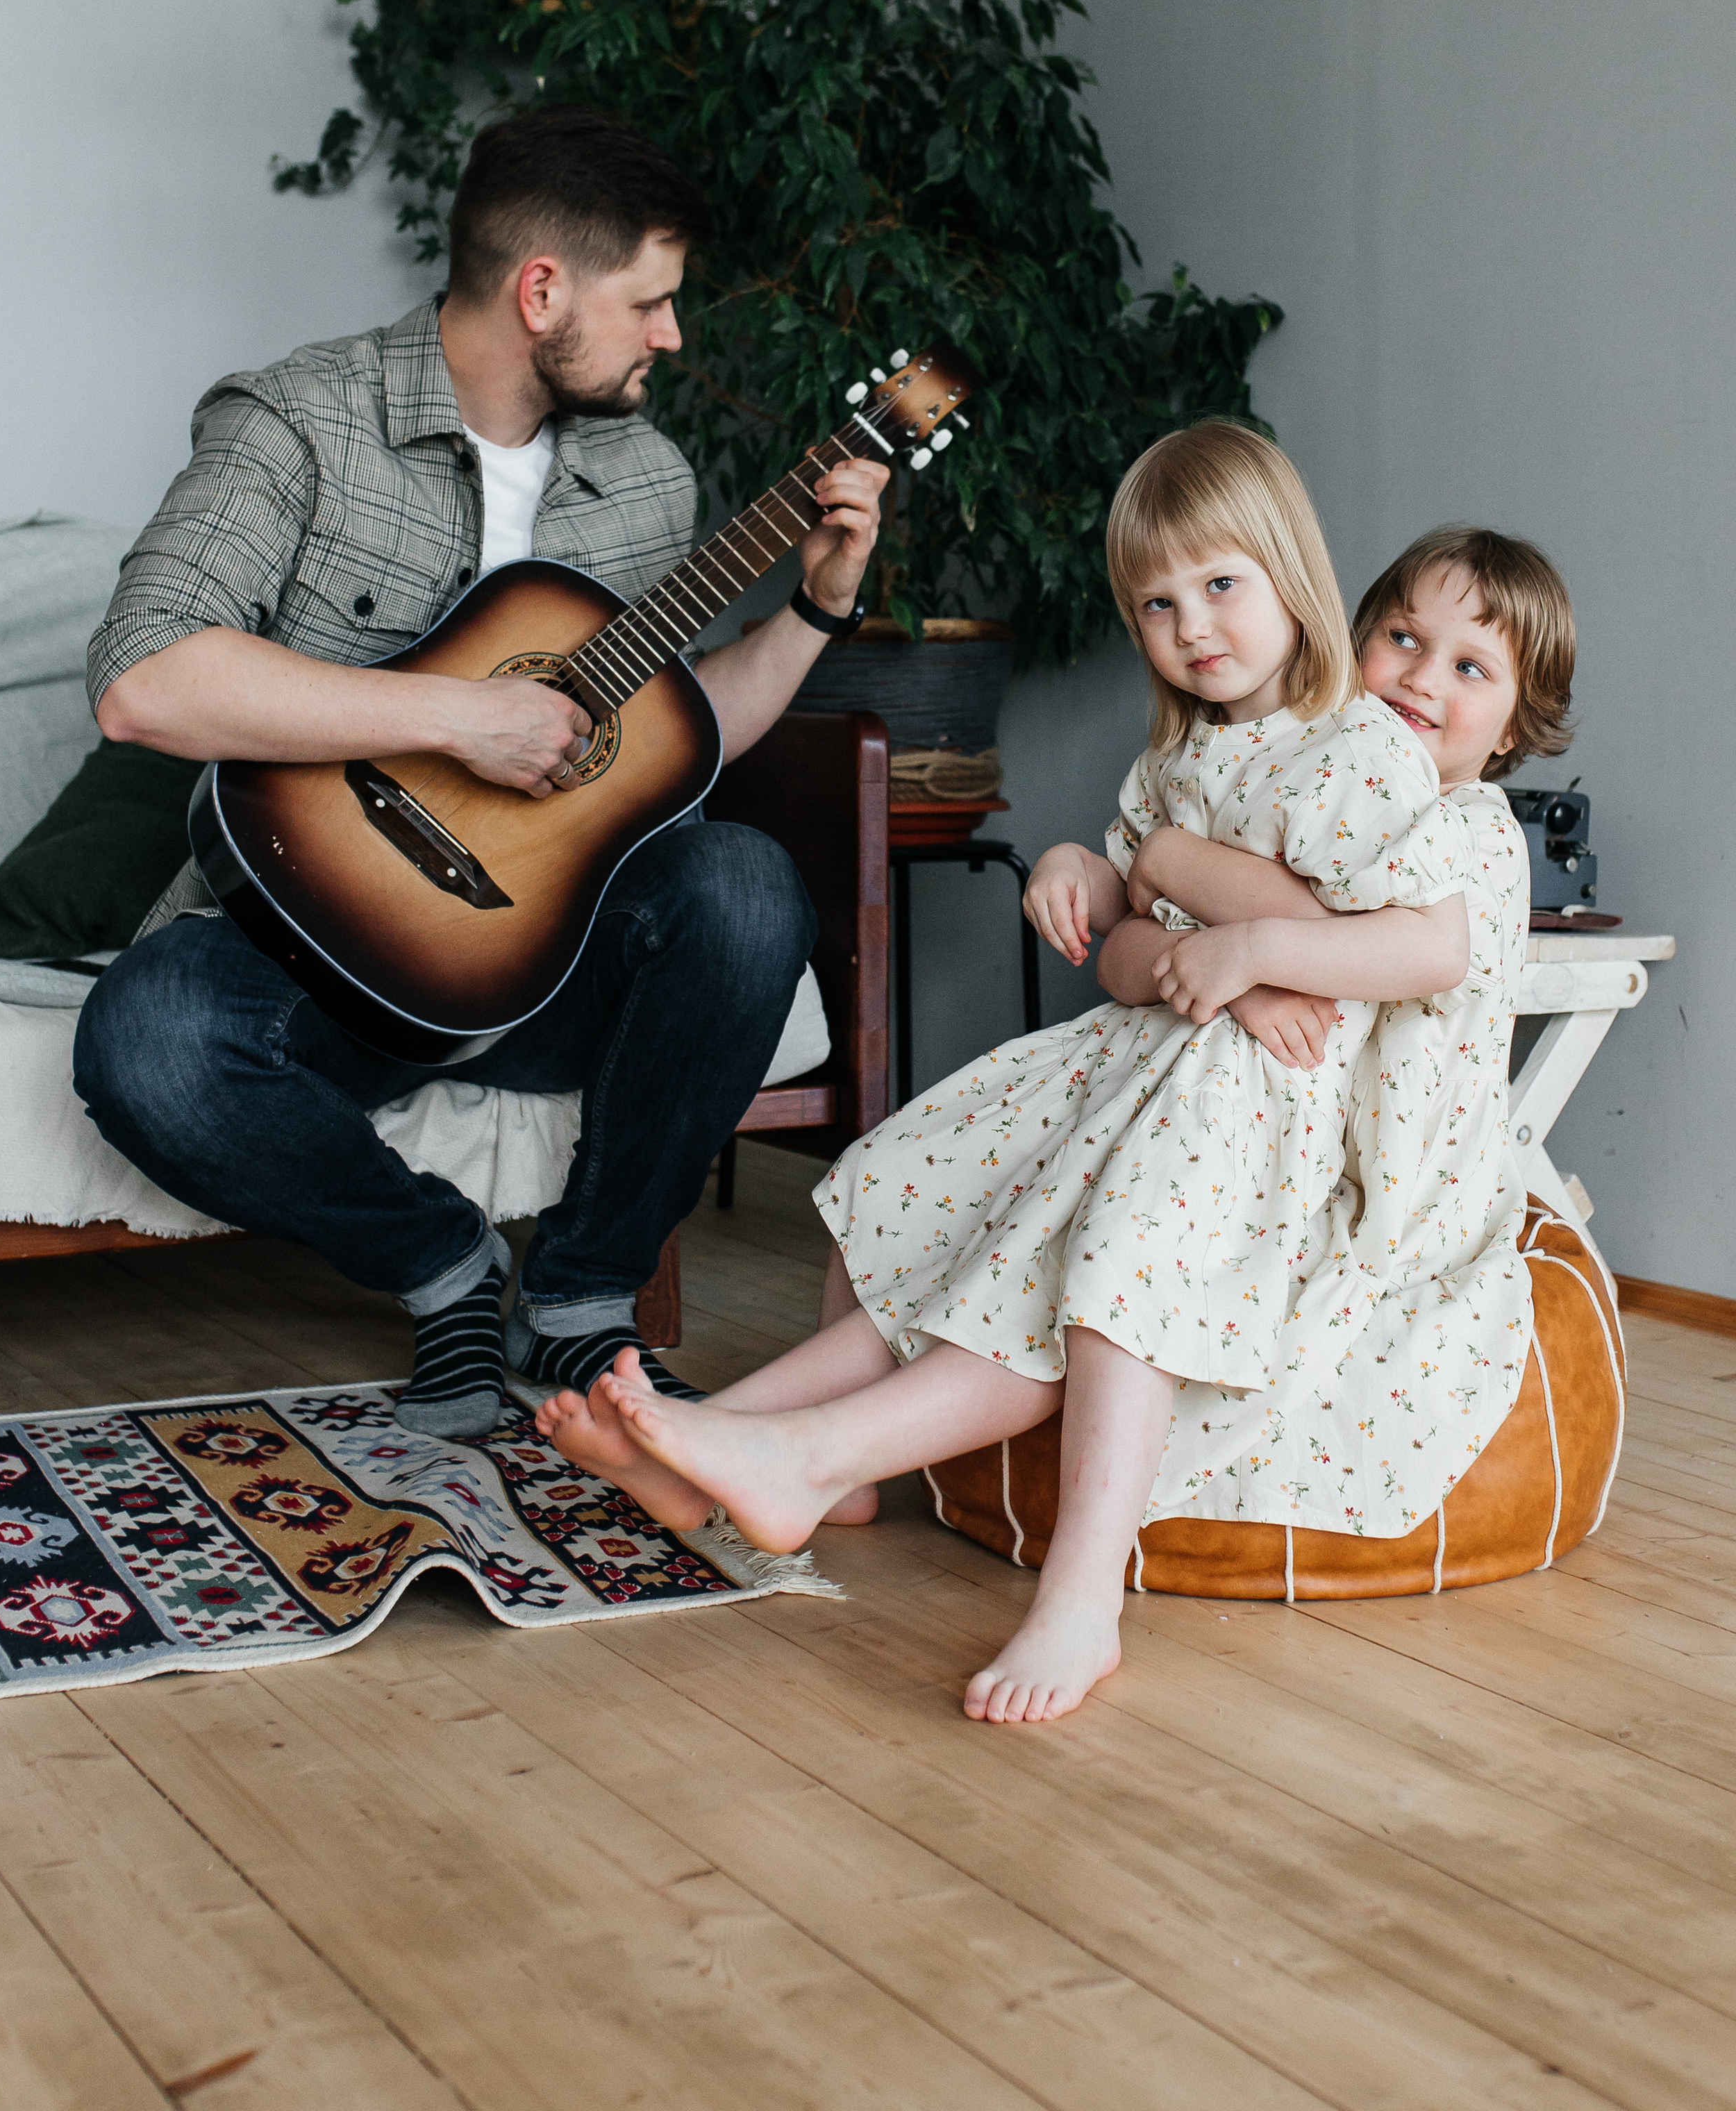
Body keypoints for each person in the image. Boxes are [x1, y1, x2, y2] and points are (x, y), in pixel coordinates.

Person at [540, 422, 1475, 1722]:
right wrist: (1088, 875)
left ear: (1291, 578)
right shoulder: (1177, 762)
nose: (1191, 627)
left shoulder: (1360, 748)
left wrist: (1250, 943)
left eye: (1221, 586)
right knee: (914, 1173)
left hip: (1251, 1103)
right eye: (1156, 603)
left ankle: (1068, 1592)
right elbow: (1131, 958)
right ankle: (755, 1454)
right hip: (1142, 1061)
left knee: (1100, 1261)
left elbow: (1429, 947)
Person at [72, 106, 889, 1440]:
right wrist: (454, 719)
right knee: (147, 1040)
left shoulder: (646, 481)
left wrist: (816, 607)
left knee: (743, 882)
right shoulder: (296, 422)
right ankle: (445, 1270)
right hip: (313, 953)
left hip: (540, 953)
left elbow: (669, 753)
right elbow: (144, 678)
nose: (672, 337)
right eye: (654, 303)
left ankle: (578, 1305)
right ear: (543, 291)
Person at [1124, 526, 1576, 1537]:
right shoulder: (1340, 783)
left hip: (1400, 1165)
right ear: (1355, 639)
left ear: (1511, 727)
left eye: (1470, 667)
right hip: (1296, 1121)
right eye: (1403, 639)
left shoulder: (1469, 829)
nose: (1421, 678)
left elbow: (1398, 951)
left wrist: (1241, 945)